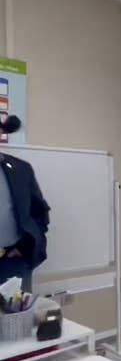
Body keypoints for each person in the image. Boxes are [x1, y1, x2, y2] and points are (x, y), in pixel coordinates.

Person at [0, 115, 50, 292]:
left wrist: (24, 247)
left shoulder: (21, 169)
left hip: (12, 264)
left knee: (16, 319)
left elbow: (39, 212)